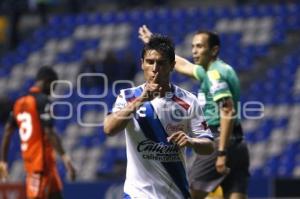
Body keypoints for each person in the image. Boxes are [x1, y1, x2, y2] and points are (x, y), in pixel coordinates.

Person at [139, 26, 250, 199]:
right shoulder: (218, 70)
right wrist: (155, 43)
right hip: (239, 144)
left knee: (187, 195)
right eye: (193, 46)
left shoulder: (214, 74)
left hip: (219, 140)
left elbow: (227, 110)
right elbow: (183, 65)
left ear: (214, 50)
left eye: (199, 46)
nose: (194, 51)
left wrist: (221, 151)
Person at [103, 35, 214, 199]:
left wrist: (191, 141)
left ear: (172, 66)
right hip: (138, 194)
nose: (155, 68)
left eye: (161, 63)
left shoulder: (189, 100)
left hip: (176, 193)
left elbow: (208, 146)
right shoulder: (128, 97)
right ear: (142, 64)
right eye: (149, 62)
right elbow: (109, 128)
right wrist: (140, 100)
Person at [0, 66, 76, 199]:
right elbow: (49, 132)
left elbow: (7, 132)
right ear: (47, 82)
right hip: (40, 165)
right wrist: (65, 157)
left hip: (41, 164)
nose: (53, 91)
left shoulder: (19, 103)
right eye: (53, 85)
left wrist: (4, 161)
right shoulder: (42, 101)